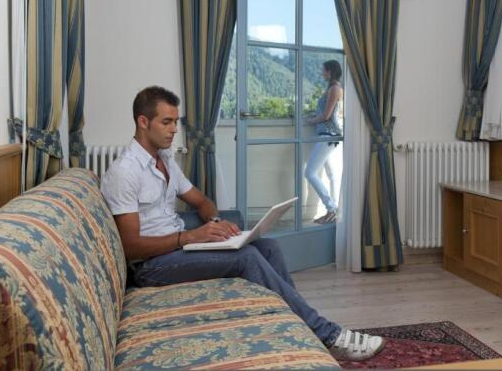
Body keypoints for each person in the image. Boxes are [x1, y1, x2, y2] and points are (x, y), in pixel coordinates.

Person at [101, 86, 384, 361]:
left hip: (179, 247)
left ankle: (299, 328)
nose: (174, 129)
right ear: (143, 122)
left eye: (176, 121)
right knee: (246, 257)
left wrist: (215, 224)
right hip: (152, 266)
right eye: (167, 122)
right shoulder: (124, 172)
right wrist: (189, 238)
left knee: (269, 247)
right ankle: (328, 335)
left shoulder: (164, 160)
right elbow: (130, 247)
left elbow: (201, 201)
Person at [304, 60, 343, 224]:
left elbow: (326, 116)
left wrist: (310, 121)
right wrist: (313, 117)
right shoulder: (332, 88)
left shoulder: (335, 89)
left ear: (330, 71)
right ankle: (334, 212)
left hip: (328, 135)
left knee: (309, 173)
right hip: (327, 135)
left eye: (323, 70)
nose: (322, 72)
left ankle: (331, 208)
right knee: (332, 174)